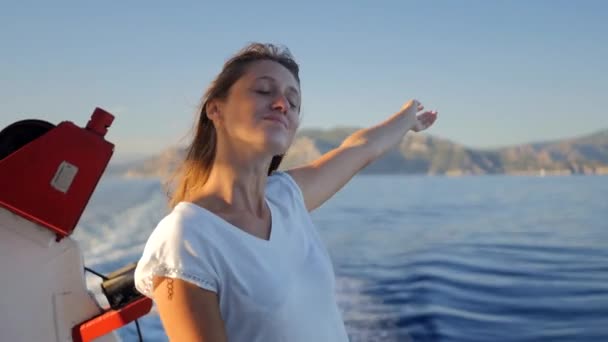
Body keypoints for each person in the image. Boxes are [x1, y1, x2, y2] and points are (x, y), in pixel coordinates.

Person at [134, 42, 438, 342]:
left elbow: (360, 149)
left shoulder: (286, 198)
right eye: (264, 91)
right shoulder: (186, 238)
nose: (282, 104)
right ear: (216, 109)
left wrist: (407, 118)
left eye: (293, 103)